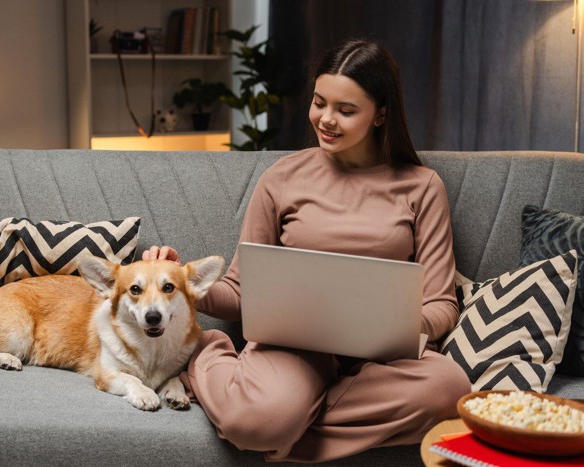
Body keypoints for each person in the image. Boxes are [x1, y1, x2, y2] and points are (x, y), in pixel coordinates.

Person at [142, 38, 471, 463]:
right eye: (319, 103)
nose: (326, 120)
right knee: (255, 422)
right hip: (294, 349)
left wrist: (390, 328)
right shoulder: (282, 177)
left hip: (383, 361)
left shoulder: (422, 186)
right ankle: (212, 356)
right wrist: (185, 281)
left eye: (346, 110)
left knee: (450, 390)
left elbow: (442, 304)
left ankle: (281, 424)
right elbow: (240, 292)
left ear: (381, 114)